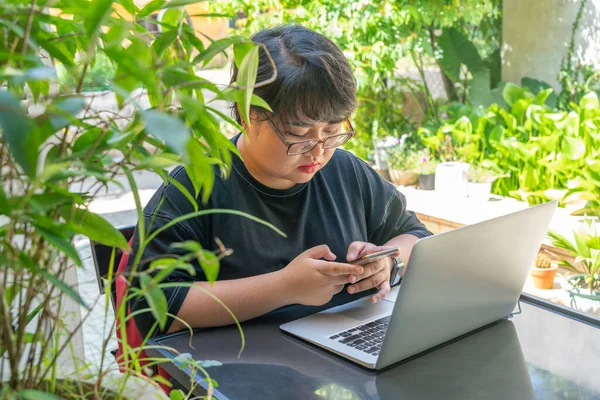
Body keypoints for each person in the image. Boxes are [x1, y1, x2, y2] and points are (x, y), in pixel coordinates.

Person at [127, 25, 432, 338]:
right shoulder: (194, 188)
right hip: (238, 373)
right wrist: (284, 287)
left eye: (331, 131)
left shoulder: (346, 170)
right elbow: (154, 308)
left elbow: (417, 236)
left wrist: (387, 262)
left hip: (344, 357)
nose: (318, 151)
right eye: (298, 135)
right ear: (248, 115)